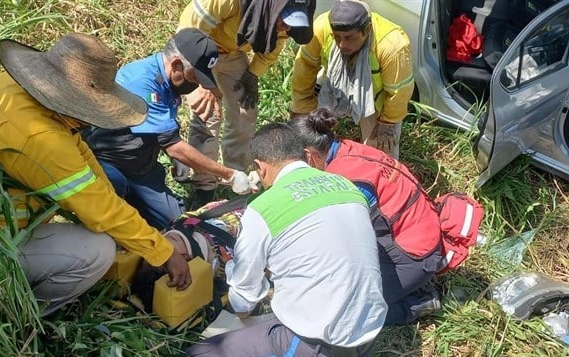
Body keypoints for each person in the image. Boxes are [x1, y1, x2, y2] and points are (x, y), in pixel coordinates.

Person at [0, 33, 191, 316]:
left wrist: (127, 224)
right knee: (97, 251)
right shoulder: (41, 139)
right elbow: (99, 210)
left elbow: (81, 153)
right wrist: (163, 251)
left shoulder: (2, 84)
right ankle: (18, 312)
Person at [187, 123, 387, 356]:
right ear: (304, 155)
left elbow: (244, 301)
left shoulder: (264, 208)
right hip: (371, 324)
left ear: (260, 168)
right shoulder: (346, 186)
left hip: (321, 341)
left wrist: (235, 274)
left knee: (200, 352)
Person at [81, 28, 256, 231]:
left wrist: (175, 160)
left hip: (142, 169)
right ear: (176, 65)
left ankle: (135, 204)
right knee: (118, 220)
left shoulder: (170, 82)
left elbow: (164, 132)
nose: (197, 83)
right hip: (108, 163)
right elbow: (174, 146)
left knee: (178, 224)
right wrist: (230, 175)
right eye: (195, 76)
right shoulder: (143, 83)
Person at [289, 108, 444, 325]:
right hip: (419, 233)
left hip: (413, 255)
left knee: (344, 314)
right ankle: (407, 285)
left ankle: (417, 303)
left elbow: (343, 244)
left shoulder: (343, 182)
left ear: (309, 156)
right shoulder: (347, 149)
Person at [178, 0, 316, 203]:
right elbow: (188, 32)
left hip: (231, 54)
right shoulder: (227, 2)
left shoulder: (280, 21)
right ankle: (204, 184)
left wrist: (253, 73)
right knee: (208, 111)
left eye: (292, 24)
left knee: (246, 110)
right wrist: (201, 82)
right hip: (196, 52)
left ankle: (236, 175)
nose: (286, 27)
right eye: (284, 20)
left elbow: (273, 46)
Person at [291, 0, 414, 159]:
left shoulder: (392, 46)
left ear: (367, 29)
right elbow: (304, 67)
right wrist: (301, 106)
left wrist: (387, 124)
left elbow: (399, 92)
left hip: (373, 97)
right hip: (332, 84)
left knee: (381, 152)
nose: (342, 45)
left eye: (349, 38)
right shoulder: (322, 27)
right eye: (337, 37)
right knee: (309, 132)